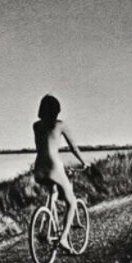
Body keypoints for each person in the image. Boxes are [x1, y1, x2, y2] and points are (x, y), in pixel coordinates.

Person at [33, 94, 88, 252]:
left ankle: (46, 224)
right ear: (56, 111)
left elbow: (43, 146)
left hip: (39, 167)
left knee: (53, 191)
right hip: (53, 166)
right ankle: (63, 239)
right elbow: (74, 148)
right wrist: (83, 161)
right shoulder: (60, 125)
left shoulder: (36, 126)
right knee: (71, 201)